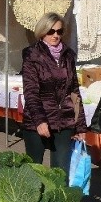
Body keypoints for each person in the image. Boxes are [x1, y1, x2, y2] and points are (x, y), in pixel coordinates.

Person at [21, 12, 87, 178]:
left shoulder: (68, 55)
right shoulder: (32, 55)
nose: (55, 35)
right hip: (37, 122)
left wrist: (80, 125)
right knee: (33, 172)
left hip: (64, 120)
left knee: (60, 173)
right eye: (51, 31)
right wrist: (40, 120)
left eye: (59, 31)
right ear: (42, 32)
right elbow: (31, 92)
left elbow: (74, 91)